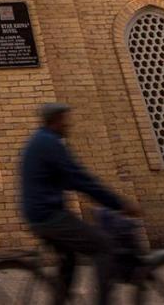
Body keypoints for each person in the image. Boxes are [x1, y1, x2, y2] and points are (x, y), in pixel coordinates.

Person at [19, 102, 141, 305]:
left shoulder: (37, 141)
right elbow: (81, 180)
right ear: (56, 121)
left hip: (37, 213)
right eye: (65, 120)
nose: (69, 125)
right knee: (104, 247)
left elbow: (68, 179)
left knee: (69, 258)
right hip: (48, 215)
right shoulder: (50, 144)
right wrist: (119, 204)